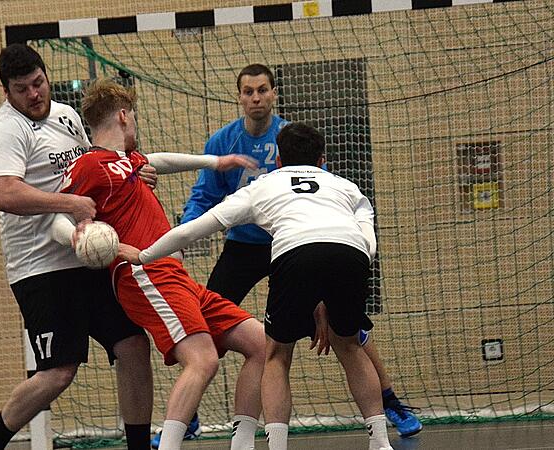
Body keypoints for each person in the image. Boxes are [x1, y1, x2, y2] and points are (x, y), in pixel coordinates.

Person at [171, 63, 420, 445]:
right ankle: (187, 417)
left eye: (262, 90)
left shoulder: (292, 140)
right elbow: (204, 198)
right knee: (204, 322)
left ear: (274, 94)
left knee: (350, 330)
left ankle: (390, 403)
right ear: (239, 97)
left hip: (290, 245)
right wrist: (183, 240)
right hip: (242, 246)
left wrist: (321, 296)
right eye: (248, 91)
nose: (256, 97)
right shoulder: (222, 143)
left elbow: (325, 205)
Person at [119, 122, 395, 450]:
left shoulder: (265, 185)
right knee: (349, 346)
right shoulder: (347, 188)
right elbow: (369, 243)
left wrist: (145, 255)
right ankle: (381, 442)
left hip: (295, 251)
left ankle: (276, 445)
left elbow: (195, 228)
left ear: (278, 160)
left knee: (276, 354)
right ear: (323, 161)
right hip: (352, 253)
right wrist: (332, 288)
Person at [49, 78, 266, 450]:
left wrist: (216, 161)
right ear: (123, 116)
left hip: (175, 276)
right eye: (132, 117)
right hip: (144, 273)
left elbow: (159, 161)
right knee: (202, 361)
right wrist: (77, 237)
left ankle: (242, 444)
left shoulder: (130, 161)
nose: (134, 124)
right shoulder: (90, 165)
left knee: (261, 344)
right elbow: (56, 215)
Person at [0, 44, 154, 450]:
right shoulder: (4, 131)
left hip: (88, 257)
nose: (34, 94)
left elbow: (96, 166)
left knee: (134, 346)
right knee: (58, 372)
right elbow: (5, 194)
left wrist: (136, 171)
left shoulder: (67, 117)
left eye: (38, 83)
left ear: (47, 77)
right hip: (41, 269)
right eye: (22, 89)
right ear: (6, 92)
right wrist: (69, 204)